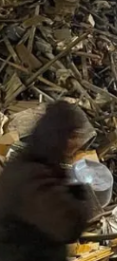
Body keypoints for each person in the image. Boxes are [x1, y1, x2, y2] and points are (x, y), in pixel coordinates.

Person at [0, 102, 94, 261]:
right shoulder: (34, 176)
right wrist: (79, 195)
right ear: (57, 136)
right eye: (72, 136)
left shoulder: (27, 163)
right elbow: (67, 227)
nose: (78, 143)